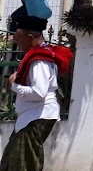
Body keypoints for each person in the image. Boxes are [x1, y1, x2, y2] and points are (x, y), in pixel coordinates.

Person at [1, 12, 72, 171]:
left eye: (19, 38)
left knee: (23, 164)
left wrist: (14, 86)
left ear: (30, 37)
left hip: (36, 116)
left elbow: (39, 93)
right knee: (12, 161)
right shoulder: (42, 55)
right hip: (32, 116)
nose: (17, 43)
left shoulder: (39, 60)